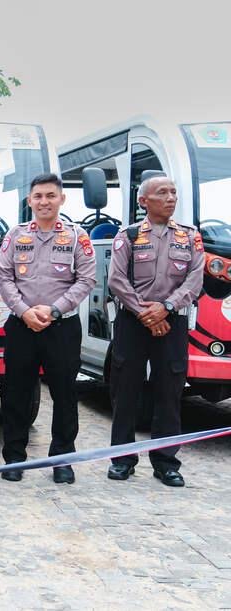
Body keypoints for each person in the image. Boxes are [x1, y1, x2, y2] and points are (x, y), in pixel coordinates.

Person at [0, 173, 96, 484]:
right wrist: (25, 312)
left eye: (50, 196)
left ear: (62, 199)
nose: (44, 202)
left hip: (61, 328)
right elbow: (4, 276)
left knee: (65, 394)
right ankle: (14, 458)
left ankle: (62, 459)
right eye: (38, 196)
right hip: (22, 325)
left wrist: (54, 310)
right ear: (30, 201)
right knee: (16, 393)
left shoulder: (77, 237)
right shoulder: (16, 236)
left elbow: (86, 280)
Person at [106, 176, 203, 487]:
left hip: (171, 322)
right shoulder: (129, 235)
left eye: (173, 192)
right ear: (143, 201)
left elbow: (195, 280)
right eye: (162, 193)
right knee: (126, 391)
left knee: (169, 392)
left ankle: (166, 463)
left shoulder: (189, 237)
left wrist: (167, 308)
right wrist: (146, 313)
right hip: (133, 322)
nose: (170, 197)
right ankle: (123, 460)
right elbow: (117, 281)